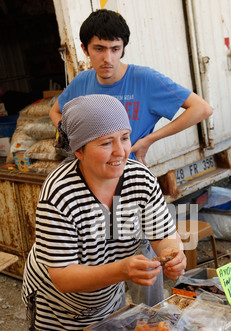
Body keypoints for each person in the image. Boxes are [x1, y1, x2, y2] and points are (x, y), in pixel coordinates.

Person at [49, 9, 212, 305]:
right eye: (99, 49)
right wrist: (73, 143)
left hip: (127, 191)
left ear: (124, 47)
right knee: (96, 262)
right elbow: (56, 111)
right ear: (85, 49)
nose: (107, 58)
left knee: (140, 262)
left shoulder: (144, 79)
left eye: (115, 49)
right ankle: (103, 314)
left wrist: (148, 139)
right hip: (90, 187)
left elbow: (201, 109)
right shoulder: (82, 83)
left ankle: (148, 320)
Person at [22, 94, 186, 331]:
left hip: (108, 302)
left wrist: (174, 254)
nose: (120, 151)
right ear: (78, 150)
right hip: (57, 311)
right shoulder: (60, 193)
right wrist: (122, 270)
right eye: (106, 143)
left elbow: (165, 235)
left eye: (124, 137)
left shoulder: (139, 179)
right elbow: (63, 277)